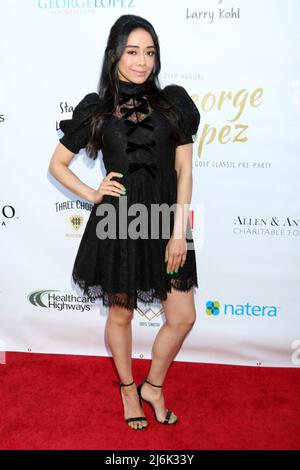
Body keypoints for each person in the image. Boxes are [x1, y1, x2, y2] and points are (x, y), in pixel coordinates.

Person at [48, 14, 200, 430]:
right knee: (121, 315)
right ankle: (129, 388)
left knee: (182, 316)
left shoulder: (173, 101)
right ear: (114, 54)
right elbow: (58, 164)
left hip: (164, 219)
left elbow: (185, 171)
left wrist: (177, 231)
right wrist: (93, 193)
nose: (141, 61)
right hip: (121, 219)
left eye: (149, 52)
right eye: (132, 51)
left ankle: (154, 384)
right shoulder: (97, 109)